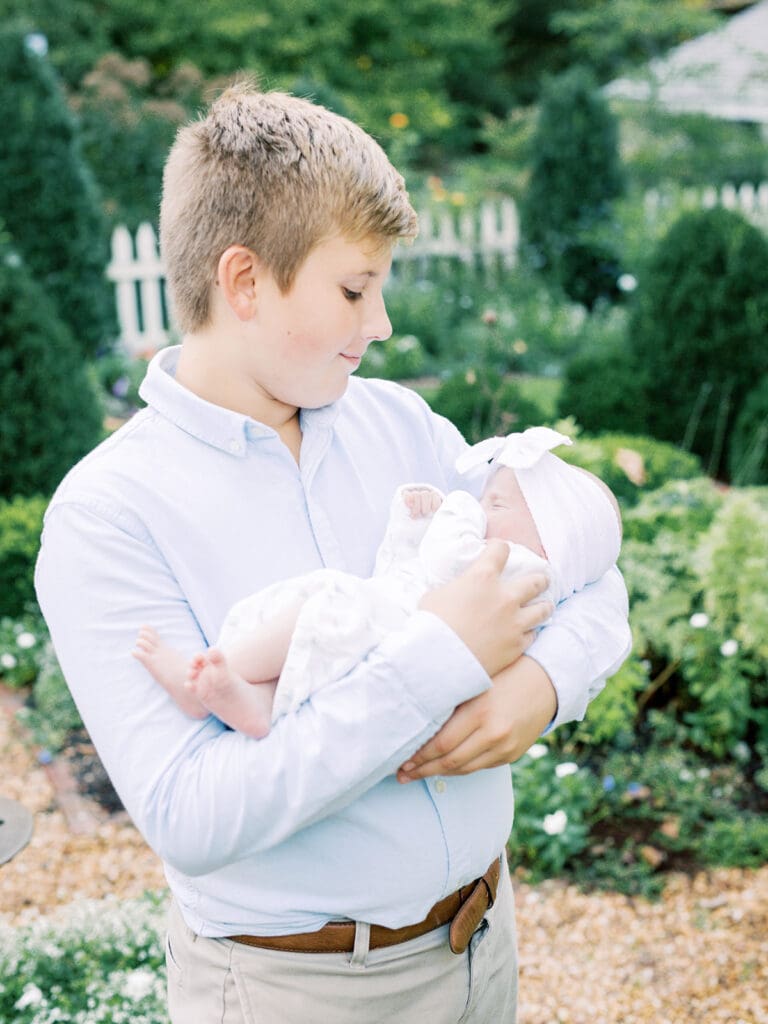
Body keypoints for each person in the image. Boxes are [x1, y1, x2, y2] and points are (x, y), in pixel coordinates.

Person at [35, 82, 631, 1024]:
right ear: (242, 282)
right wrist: (441, 655)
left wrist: (545, 684)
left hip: (486, 942)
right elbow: (194, 814)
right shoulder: (108, 515)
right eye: (356, 288)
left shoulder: (402, 423)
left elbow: (588, 571)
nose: (382, 324)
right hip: (299, 991)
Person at [132, 427, 622, 740]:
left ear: (551, 542)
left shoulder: (522, 570)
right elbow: (407, 563)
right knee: (310, 658)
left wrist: (456, 510)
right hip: (392, 622)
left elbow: (445, 561)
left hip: (390, 627)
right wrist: (416, 520)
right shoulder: (528, 573)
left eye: (496, 505)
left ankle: (211, 676)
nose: (479, 505)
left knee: (312, 612)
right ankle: (254, 703)